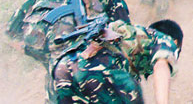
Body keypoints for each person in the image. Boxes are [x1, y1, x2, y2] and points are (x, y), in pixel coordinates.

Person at [7, 0, 130, 97]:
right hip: (92, 66)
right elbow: (124, 30)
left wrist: (40, 54)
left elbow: (12, 30)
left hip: (56, 67)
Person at [51, 18, 182, 104]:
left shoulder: (133, 36)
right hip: (100, 67)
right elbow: (161, 67)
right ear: (176, 42)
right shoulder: (165, 40)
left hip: (64, 67)